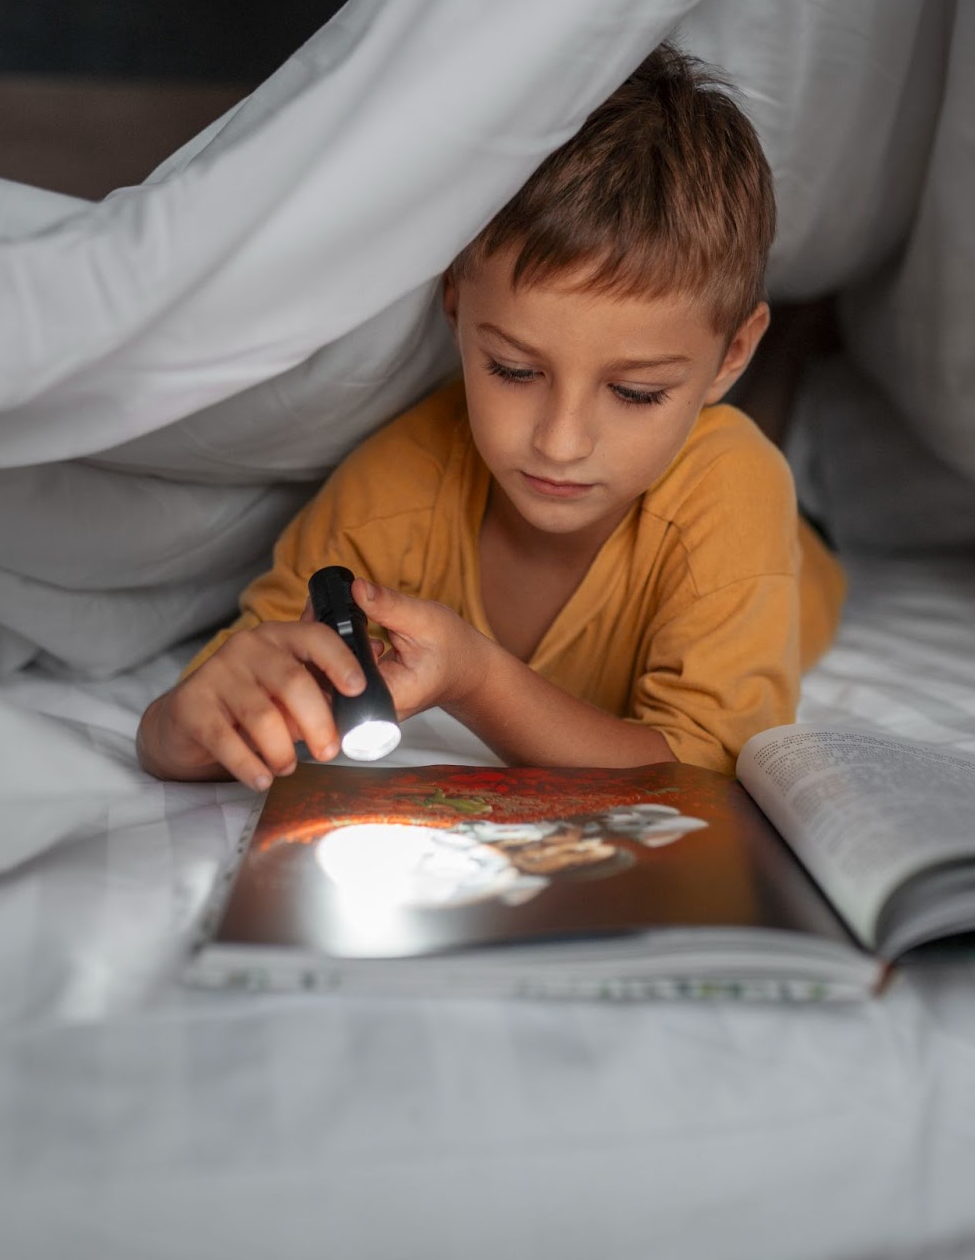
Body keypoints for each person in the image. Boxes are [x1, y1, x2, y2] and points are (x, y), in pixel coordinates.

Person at [136, 43, 845, 789]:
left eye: (635, 392)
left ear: (732, 356)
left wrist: (476, 680)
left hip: (797, 554)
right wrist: (171, 735)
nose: (560, 442)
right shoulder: (395, 494)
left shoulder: (732, 492)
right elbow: (235, 697)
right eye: (514, 370)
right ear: (455, 310)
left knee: (774, 473)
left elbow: (707, 775)